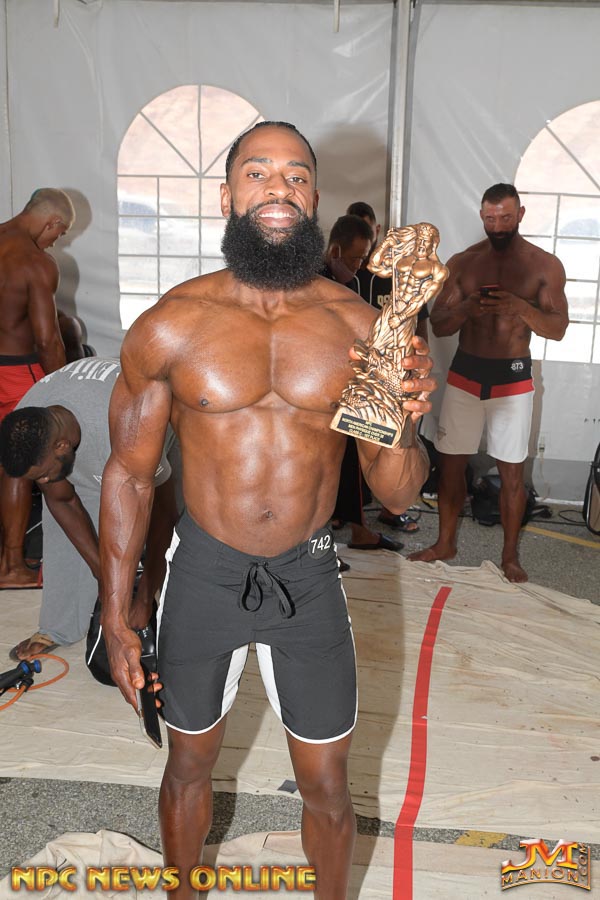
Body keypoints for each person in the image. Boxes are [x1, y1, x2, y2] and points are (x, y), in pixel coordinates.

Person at [99, 121, 434, 899]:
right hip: (204, 570)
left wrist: (404, 419)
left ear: (313, 198)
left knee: (328, 782)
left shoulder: (361, 330)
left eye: (296, 175)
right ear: (226, 196)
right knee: (188, 765)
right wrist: (117, 616)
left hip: (308, 575)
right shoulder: (172, 324)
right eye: (257, 172)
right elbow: (128, 475)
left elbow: (396, 493)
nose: (278, 188)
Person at [409, 183, 568, 582]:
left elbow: (558, 328)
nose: (498, 226)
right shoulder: (464, 263)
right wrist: (467, 307)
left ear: (520, 214)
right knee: (451, 465)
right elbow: (439, 325)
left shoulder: (543, 265)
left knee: (512, 473)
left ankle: (510, 556)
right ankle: (445, 543)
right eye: (491, 218)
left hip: (512, 381)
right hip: (466, 376)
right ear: (482, 216)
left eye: (506, 217)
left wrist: (519, 307)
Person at [0, 357, 177, 660]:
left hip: (161, 424)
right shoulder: (29, 419)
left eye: (43, 474)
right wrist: (105, 580)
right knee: (61, 526)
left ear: (61, 445)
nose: (43, 482)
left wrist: (145, 595)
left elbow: (164, 512)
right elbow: (62, 501)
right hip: (97, 433)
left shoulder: (127, 424)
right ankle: (58, 626)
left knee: (188, 532)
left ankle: (180, 631)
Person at [0, 189, 74, 589]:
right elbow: (48, 340)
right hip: (16, 372)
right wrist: (63, 389)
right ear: (52, 222)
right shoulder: (35, 263)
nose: (55, 242)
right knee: (18, 464)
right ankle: (12, 566)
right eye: (59, 235)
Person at [346, 201, 429, 533]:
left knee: (394, 440)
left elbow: (421, 319)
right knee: (351, 453)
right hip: (363, 361)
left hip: (394, 367)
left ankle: (385, 516)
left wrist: (418, 357)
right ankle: (351, 518)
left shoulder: (414, 270)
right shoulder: (353, 275)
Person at [323, 215, 403, 553]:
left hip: (347, 384)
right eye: (356, 257)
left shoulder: (350, 283)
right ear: (336, 250)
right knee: (322, 465)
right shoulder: (315, 283)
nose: (360, 265)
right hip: (319, 390)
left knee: (351, 461)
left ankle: (358, 530)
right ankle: (325, 543)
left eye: (364, 257)